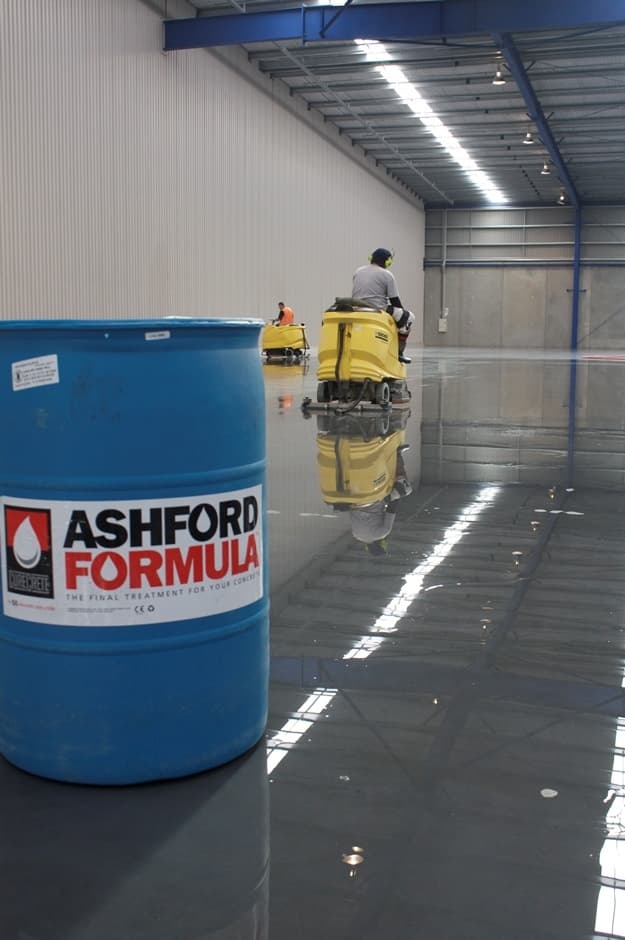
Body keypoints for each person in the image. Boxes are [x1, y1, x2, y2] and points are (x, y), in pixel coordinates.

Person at [352, 248, 414, 364]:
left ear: (371, 258)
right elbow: (394, 300)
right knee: (409, 317)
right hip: (377, 308)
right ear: (387, 262)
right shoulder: (387, 275)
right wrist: (402, 314)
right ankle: (399, 352)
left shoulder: (358, 271)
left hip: (357, 307)